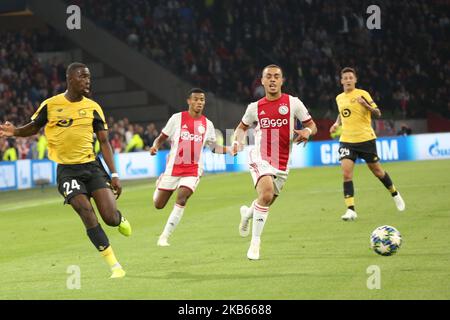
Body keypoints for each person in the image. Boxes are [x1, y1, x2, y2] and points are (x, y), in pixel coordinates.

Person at [0, 62, 132, 278]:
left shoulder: (93, 108)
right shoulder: (51, 105)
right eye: (83, 77)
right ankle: (115, 266)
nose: (87, 81)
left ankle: (119, 219)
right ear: (70, 79)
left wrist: (115, 174)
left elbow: (104, 142)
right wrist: (15, 131)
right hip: (67, 172)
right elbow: (33, 127)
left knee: (109, 218)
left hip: (92, 167)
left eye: (89, 77)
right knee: (85, 211)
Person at [231, 65, 317, 260]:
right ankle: (255, 244)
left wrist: (307, 132)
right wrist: (237, 141)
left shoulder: (293, 103)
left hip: (282, 163)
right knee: (267, 193)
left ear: (282, 81)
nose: (272, 80)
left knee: (266, 200)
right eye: (268, 77)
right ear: (262, 81)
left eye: (276, 77)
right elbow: (241, 128)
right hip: (259, 156)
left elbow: (312, 125)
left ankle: (247, 214)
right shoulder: (254, 107)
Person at [150, 88, 229, 246]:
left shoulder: (208, 124)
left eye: (202, 100)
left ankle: (164, 236)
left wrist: (229, 150)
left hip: (193, 169)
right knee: (159, 204)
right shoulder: (177, 119)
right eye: (196, 99)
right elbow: (162, 137)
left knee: (182, 196)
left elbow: (213, 147)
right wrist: (155, 146)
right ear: (189, 101)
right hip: (173, 168)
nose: (199, 102)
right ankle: (161, 182)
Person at [329, 67, 405, 221]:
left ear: (355, 80)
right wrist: (336, 123)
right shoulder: (339, 98)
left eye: (351, 77)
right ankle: (351, 209)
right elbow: (342, 112)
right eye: (346, 78)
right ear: (341, 81)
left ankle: (394, 193)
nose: (348, 80)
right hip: (347, 141)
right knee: (346, 174)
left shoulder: (363, 94)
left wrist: (366, 106)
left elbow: (377, 113)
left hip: (366, 139)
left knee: (377, 171)